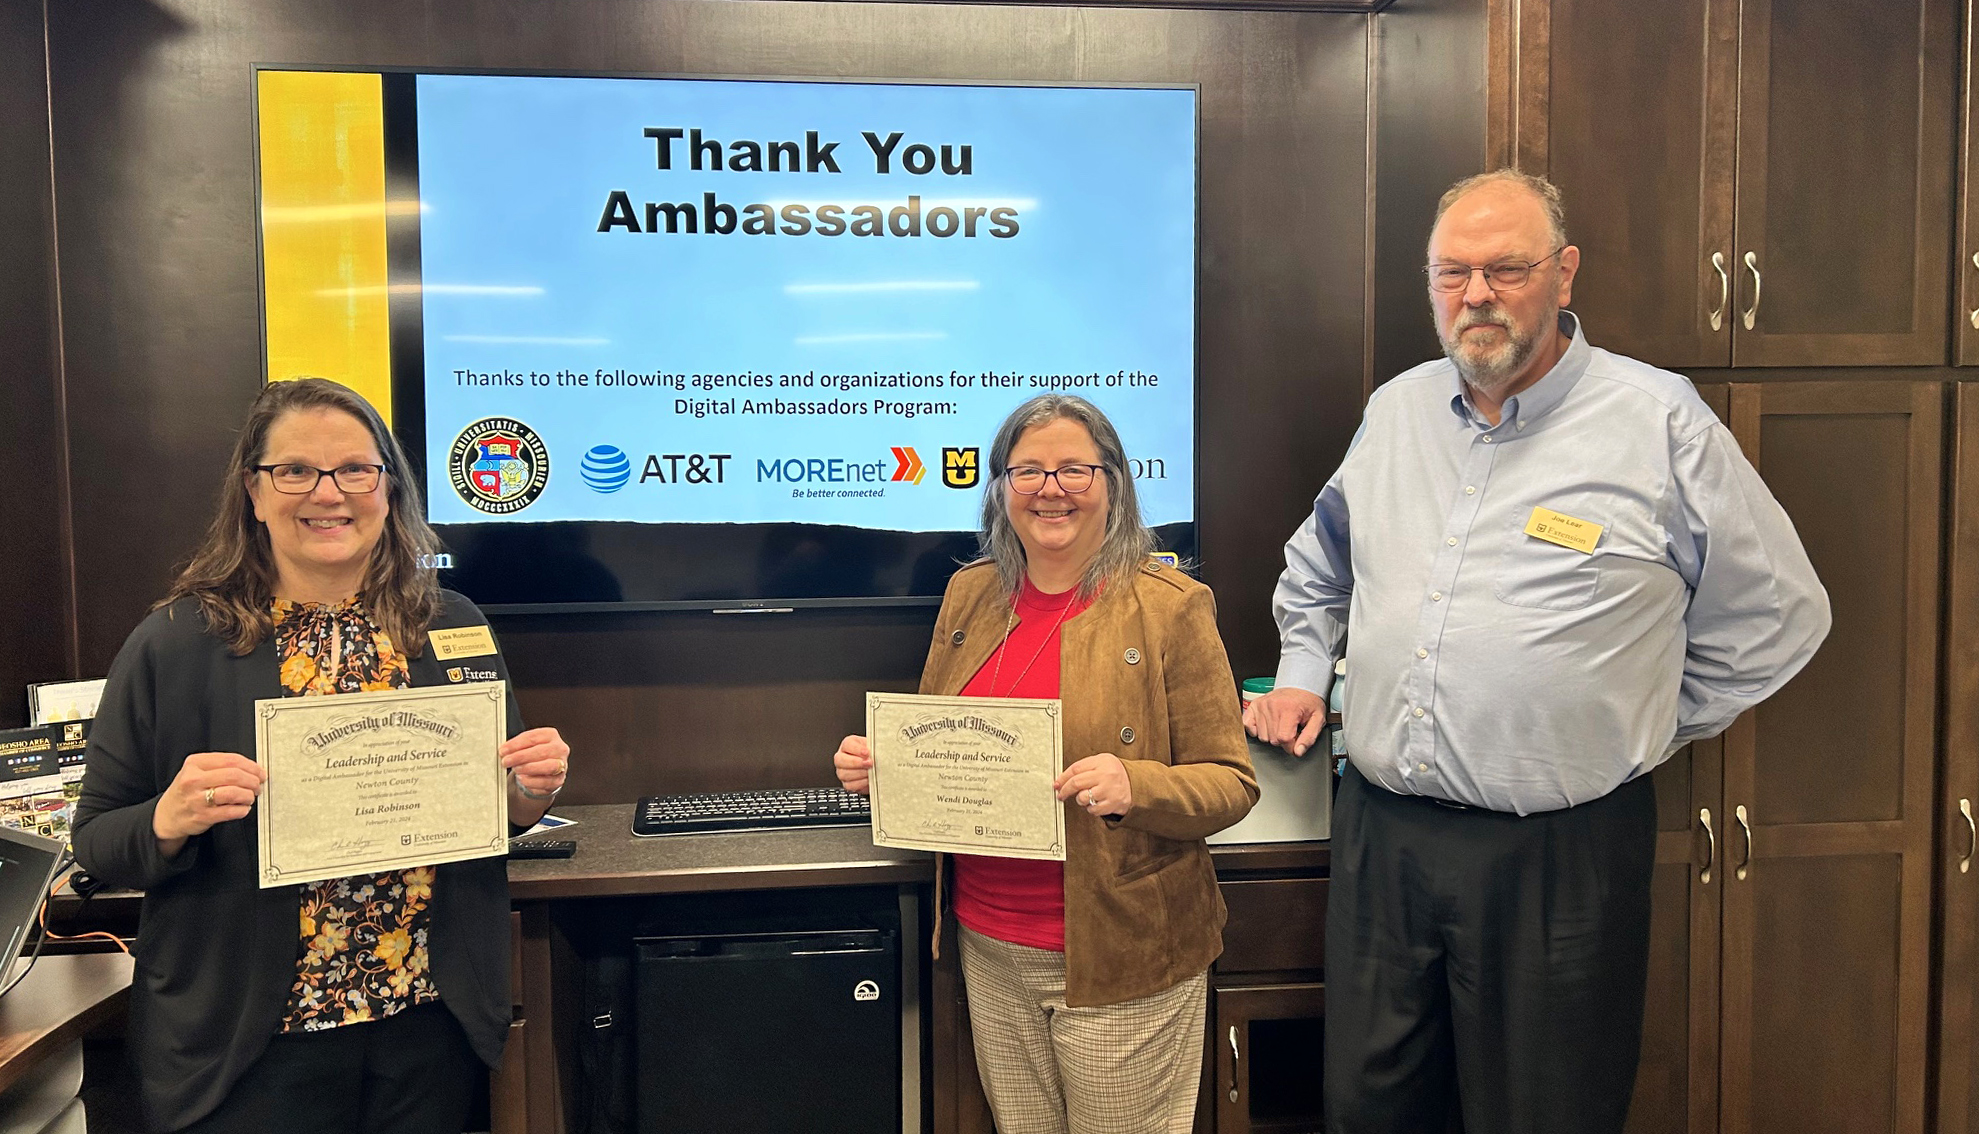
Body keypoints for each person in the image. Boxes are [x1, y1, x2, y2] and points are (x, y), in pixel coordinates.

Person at [1246, 170, 1830, 1134]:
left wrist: (1639, 718)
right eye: (1451, 272)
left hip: (1559, 856)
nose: (1475, 294)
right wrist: (1306, 672)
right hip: (1383, 838)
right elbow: (1318, 569)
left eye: (1505, 268)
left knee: (1543, 1114)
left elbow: (1779, 614)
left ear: (1563, 274)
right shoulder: (1395, 412)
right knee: (1367, 1109)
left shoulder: (1658, 420)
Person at [73, 378, 570, 1133]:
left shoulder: (451, 625)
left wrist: (528, 792)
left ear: (388, 488)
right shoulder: (176, 642)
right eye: (296, 470)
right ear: (254, 491)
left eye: (354, 470)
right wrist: (170, 818)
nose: (328, 493)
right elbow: (99, 840)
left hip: (425, 1024)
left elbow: (495, 808)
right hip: (253, 1044)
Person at [833, 394, 1257, 1134]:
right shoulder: (970, 594)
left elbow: (1230, 781)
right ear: (999, 487)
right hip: (988, 943)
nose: (1048, 488)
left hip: (1120, 955)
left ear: (1113, 483)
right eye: (1026, 470)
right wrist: (886, 765)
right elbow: (946, 738)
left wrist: (1137, 784)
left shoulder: (1170, 607)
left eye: (1072, 469)